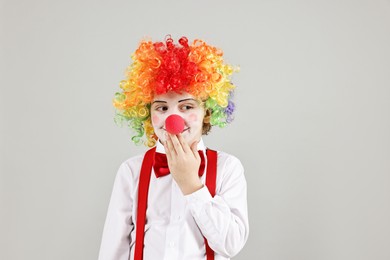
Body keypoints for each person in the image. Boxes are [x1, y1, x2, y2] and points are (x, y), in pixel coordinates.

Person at [99, 36, 249, 260]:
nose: (173, 119)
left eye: (186, 106)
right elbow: (113, 249)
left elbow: (231, 243)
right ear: (147, 114)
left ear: (207, 112)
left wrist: (192, 185)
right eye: (162, 107)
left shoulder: (228, 168)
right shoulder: (131, 171)